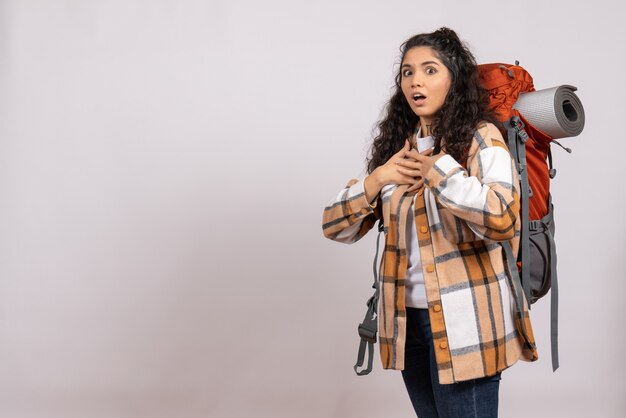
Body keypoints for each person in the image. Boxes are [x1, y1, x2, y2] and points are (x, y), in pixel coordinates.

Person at [321, 27, 538, 417]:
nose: (416, 80)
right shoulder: (397, 149)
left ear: (454, 80)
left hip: (469, 325)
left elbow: (504, 217)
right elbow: (335, 227)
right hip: (410, 328)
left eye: (430, 70)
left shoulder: (481, 138)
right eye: (407, 72)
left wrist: (441, 171)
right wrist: (378, 179)